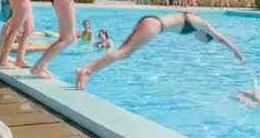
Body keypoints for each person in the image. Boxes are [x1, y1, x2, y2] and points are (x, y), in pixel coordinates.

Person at [75, 12, 244, 90]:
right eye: (203, 40)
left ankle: (86, 70)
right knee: (123, 53)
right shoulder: (202, 24)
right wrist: (235, 50)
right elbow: (219, 36)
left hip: (151, 21)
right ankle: (86, 71)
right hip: (155, 25)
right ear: (204, 35)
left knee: (125, 53)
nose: (198, 40)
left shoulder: (194, 25)